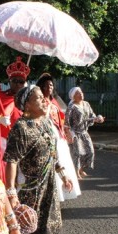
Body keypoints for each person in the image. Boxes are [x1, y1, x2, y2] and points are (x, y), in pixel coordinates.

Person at [4, 86, 73, 234]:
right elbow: (11, 160)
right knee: (30, 229)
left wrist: (63, 173)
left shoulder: (46, 123)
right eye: (39, 98)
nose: (45, 101)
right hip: (31, 187)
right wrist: (11, 192)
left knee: (53, 224)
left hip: (50, 183)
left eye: (44, 98)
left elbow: (53, 152)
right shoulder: (21, 128)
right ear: (27, 105)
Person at [36, 73, 81, 201]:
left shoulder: (54, 101)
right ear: (41, 87)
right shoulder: (38, 100)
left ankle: (64, 188)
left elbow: (61, 119)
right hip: (45, 132)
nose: (49, 87)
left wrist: (67, 132)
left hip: (58, 135)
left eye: (51, 85)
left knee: (62, 159)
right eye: (46, 85)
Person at [65, 86, 105, 179]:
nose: (81, 94)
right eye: (78, 93)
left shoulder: (86, 104)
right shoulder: (72, 106)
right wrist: (68, 133)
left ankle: (81, 168)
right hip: (75, 133)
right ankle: (76, 171)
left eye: (81, 92)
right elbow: (66, 121)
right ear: (73, 96)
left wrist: (97, 118)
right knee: (77, 153)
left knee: (90, 151)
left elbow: (92, 115)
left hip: (84, 133)